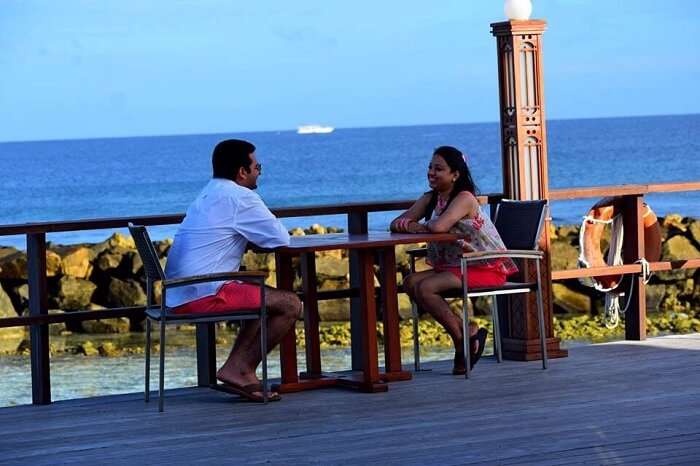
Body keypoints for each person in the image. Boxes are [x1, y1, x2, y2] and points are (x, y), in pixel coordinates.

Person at [165, 139, 301, 401]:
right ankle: (241, 369)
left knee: (258, 293)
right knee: (290, 304)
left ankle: (237, 368)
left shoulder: (209, 192)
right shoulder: (240, 197)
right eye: (257, 166)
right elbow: (281, 239)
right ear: (242, 171)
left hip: (178, 292)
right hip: (203, 293)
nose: (259, 171)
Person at [391, 146, 517, 374]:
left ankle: (461, 345)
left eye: (438, 169)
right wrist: (420, 226)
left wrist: (419, 226)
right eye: (430, 167)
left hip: (484, 265)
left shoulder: (464, 198)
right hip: (456, 265)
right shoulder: (431, 198)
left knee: (426, 288)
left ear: (455, 175)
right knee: (410, 282)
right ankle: (465, 334)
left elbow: (439, 226)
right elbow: (397, 223)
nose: (431, 172)